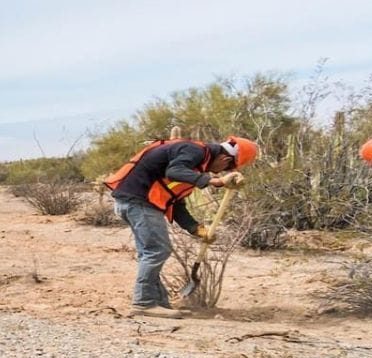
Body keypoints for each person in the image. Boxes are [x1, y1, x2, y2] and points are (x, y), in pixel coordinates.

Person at [102, 135, 257, 318]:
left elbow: (175, 202)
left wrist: (196, 229)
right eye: (225, 169)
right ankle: (143, 303)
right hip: (139, 202)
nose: (220, 173)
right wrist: (212, 181)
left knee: (151, 251)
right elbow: (174, 172)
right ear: (225, 159)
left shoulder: (195, 163)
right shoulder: (194, 151)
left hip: (134, 201)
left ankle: (159, 303)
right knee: (156, 251)